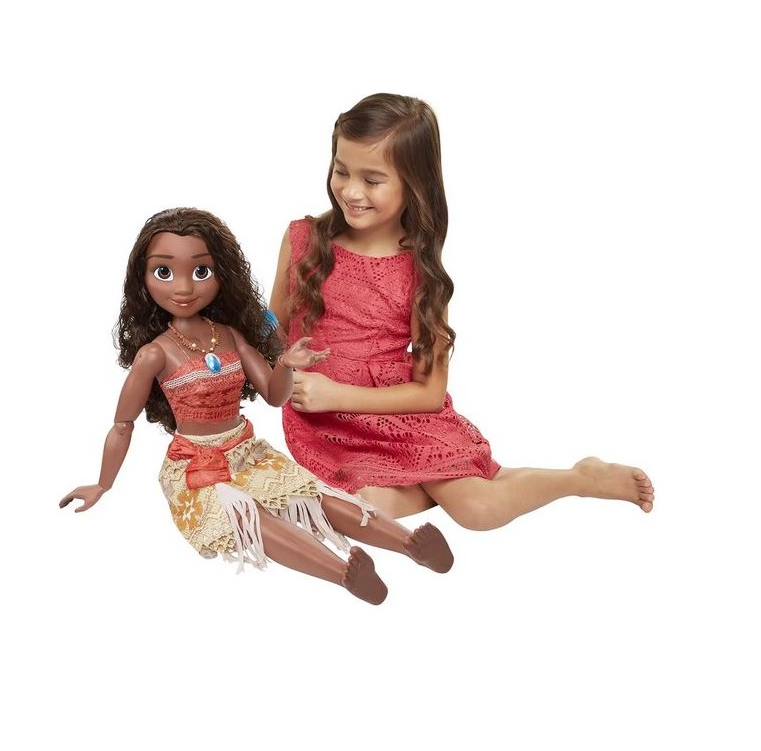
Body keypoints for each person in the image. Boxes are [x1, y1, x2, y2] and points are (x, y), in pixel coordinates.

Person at [268, 93, 655, 528]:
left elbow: (429, 393)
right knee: (368, 508)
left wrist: (337, 394)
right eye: (342, 171)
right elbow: (271, 330)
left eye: (372, 180)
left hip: (397, 415)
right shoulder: (304, 239)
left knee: (477, 511)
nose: (351, 191)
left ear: (413, 184)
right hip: (324, 426)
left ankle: (579, 478)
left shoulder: (420, 271)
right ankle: (459, 480)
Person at [59, 207, 454, 605]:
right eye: (164, 272)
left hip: (247, 452)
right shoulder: (154, 355)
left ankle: (411, 544)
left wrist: (285, 363)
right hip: (198, 467)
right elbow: (123, 424)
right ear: (143, 280)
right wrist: (103, 484)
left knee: (307, 493)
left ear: (222, 275)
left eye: (200, 271)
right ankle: (344, 574)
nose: (183, 287)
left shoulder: (230, 336)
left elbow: (274, 395)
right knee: (250, 516)